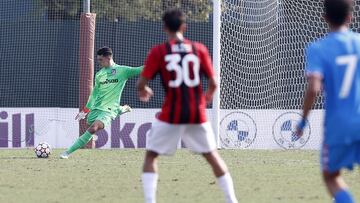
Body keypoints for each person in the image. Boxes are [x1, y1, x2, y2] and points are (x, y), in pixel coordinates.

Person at [137, 9, 238, 203]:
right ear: (184, 27)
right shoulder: (198, 49)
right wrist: (207, 96)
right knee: (212, 156)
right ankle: (232, 200)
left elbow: (141, 84)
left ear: (165, 28)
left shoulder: (159, 52)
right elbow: (214, 83)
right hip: (196, 113)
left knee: (151, 156)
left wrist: (145, 90)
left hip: (170, 115)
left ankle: (150, 201)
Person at [297, 0, 359, 202]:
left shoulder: (318, 48)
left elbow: (314, 89)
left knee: (331, 176)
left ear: (324, 18)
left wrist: (303, 121)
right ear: (351, 17)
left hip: (337, 126)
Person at [60, 46, 143, 159]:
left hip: (109, 110)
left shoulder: (122, 71)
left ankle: (66, 153)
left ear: (108, 57)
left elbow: (139, 70)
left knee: (93, 128)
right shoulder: (99, 75)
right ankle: (121, 109)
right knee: (90, 124)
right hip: (97, 107)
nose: (99, 62)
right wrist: (85, 110)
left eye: (100, 60)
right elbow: (94, 94)